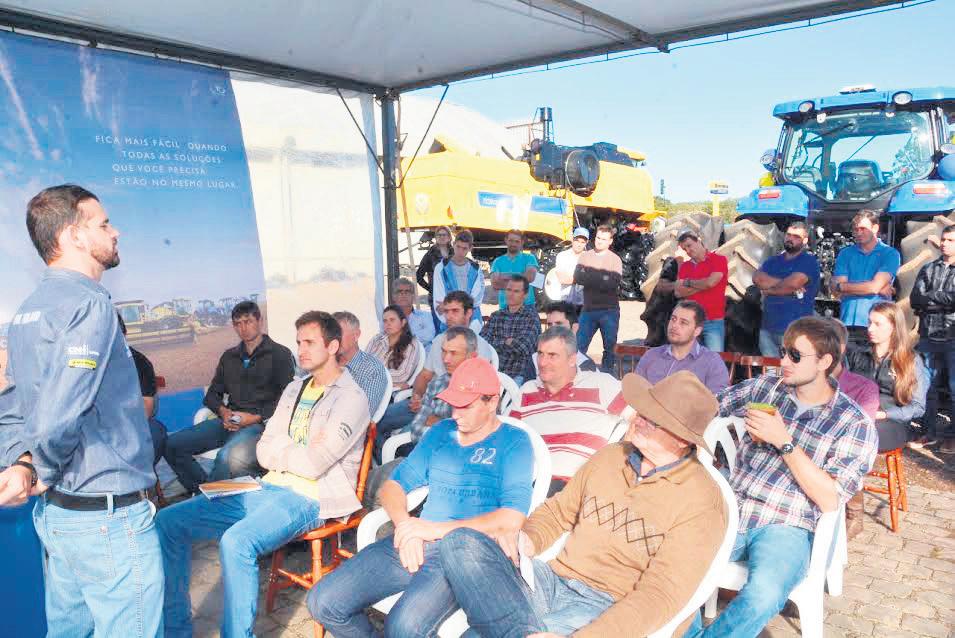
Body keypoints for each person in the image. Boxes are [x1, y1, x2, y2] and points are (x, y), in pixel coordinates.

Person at [437, 371, 727, 638]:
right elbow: (557, 512)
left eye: (653, 420)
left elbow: (659, 597)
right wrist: (527, 539)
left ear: (681, 439)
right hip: (552, 579)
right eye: (642, 411)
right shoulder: (612, 456)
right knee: (460, 543)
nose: (639, 420)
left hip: (608, 606)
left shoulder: (702, 502)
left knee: (477, 633)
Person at [0, 185, 163, 635]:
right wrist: (44, 467)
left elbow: (11, 404)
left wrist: (22, 463)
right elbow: (59, 413)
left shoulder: (27, 313)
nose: (116, 231)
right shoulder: (90, 305)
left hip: (59, 518)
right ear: (74, 235)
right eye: (104, 223)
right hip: (106, 521)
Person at [157, 311, 370, 638]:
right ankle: (175, 630)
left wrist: (282, 449)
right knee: (168, 521)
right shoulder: (295, 388)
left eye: (309, 342)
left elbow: (315, 465)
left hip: (310, 497)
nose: (301, 350)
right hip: (265, 485)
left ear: (332, 346)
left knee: (236, 542)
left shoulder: (351, 397)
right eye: (299, 342)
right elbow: (263, 450)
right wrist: (290, 451)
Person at [307, 357, 535, 637]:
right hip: (416, 538)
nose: (456, 413)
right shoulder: (441, 432)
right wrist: (406, 527)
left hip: (462, 555)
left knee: (403, 627)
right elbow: (392, 486)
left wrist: (431, 530)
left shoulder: (514, 442)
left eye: (466, 405)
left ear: (492, 402)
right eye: (453, 403)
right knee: (322, 602)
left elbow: (512, 518)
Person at [703, 317, 876, 637]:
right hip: (731, 510)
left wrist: (784, 442)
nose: (783, 361)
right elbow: (712, 405)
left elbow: (829, 499)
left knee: (764, 594)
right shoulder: (767, 388)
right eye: (783, 352)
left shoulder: (852, 423)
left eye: (795, 356)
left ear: (824, 361)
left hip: (787, 525)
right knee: (668, 561)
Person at [164, 300, 295, 494]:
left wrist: (256, 417)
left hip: (261, 425)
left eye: (248, 321)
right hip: (228, 421)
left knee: (226, 457)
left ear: (260, 321)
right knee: (172, 444)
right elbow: (212, 395)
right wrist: (224, 412)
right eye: (238, 323)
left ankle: (209, 498)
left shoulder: (280, 354)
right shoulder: (230, 357)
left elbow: (289, 399)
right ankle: (204, 492)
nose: (243, 328)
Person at [375, 292, 497, 450]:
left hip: (449, 412)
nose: (449, 317)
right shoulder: (440, 340)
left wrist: (438, 417)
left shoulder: (479, 347)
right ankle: (387, 458)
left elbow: (476, 399)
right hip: (426, 401)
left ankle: (398, 457)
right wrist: (417, 395)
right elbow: (424, 376)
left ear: (469, 313)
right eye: (446, 311)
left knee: (403, 444)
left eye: (455, 311)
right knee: (375, 421)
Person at [511, 326, 627, 492]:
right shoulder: (527, 391)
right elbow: (508, 437)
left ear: (572, 359)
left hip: (577, 486)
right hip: (529, 483)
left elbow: (639, 419)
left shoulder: (600, 384)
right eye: (540, 354)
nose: (542, 362)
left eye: (552, 355)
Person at [847, 302, 928, 453]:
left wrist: (883, 414)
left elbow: (918, 407)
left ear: (893, 327)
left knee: (857, 434)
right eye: (869, 323)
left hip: (892, 422)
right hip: (858, 415)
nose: (870, 328)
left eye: (877, 324)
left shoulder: (911, 360)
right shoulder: (858, 354)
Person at [827, 318, 878, 540]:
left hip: (844, 447)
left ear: (839, 349)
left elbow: (862, 435)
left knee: (850, 450)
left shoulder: (863, 388)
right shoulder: (798, 381)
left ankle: (854, 514)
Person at [910, 224, 955, 452]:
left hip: (952, 337)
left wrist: (932, 297)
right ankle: (929, 432)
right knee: (927, 388)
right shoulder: (928, 269)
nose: (945, 243)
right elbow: (915, 299)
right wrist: (942, 300)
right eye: (943, 239)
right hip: (928, 335)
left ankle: (952, 437)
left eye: (950, 240)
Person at [831, 209, 901, 347]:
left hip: (877, 326)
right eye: (856, 229)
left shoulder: (890, 254)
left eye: (863, 229)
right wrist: (873, 288)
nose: (858, 233)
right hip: (847, 323)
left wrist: (842, 287)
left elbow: (873, 287)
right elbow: (836, 292)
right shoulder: (845, 254)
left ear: (875, 228)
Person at [753, 222, 821, 356]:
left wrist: (769, 290)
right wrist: (787, 285)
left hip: (795, 331)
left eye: (796, 236)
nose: (790, 238)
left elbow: (793, 283)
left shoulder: (809, 261)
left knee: (793, 368)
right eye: (788, 235)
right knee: (771, 369)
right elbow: (758, 279)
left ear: (805, 240)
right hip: (767, 330)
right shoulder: (772, 261)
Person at [635, 299, 730, 395]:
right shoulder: (651, 356)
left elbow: (718, 401)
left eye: (683, 322)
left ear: (697, 331)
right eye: (673, 319)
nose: (674, 326)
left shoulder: (712, 362)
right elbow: (635, 392)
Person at [118, 313, 167, 464]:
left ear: (124, 334)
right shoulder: (89, 361)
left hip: (132, 423)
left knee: (156, 432)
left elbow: (147, 408)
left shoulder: (140, 362)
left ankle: (142, 475)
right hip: (98, 429)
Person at [574, 225, 623, 373]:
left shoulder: (615, 260)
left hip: (609, 311)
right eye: (598, 238)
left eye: (604, 239)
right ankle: (579, 375)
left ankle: (607, 377)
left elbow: (613, 284)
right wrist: (603, 277)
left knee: (609, 348)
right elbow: (578, 277)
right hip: (588, 310)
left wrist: (589, 276)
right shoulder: (585, 256)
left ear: (610, 241)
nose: (600, 241)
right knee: (578, 347)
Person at [674, 229, 728, 352]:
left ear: (698, 241)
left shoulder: (719, 260)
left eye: (689, 245)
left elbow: (710, 283)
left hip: (713, 321)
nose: (688, 251)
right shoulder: (685, 266)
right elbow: (678, 292)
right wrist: (704, 285)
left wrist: (688, 282)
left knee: (714, 359)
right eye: (684, 249)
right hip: (690, 321)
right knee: (688, 358)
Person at [481, 274, 541, 384]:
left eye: (516, 291)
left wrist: (496, 343)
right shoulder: (496, 316)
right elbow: (483, 342)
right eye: (508, 290)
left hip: (518, 374)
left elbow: (523, 346)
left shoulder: (531, 317)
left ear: (525, 295)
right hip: (493, 371)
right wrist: (507, 342)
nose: (510, 294)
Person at [333, 311, 391, 418]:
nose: (333, 339)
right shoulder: (324, 362)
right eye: (330, 335)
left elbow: (361, 415)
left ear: (356, 335)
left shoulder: (372, 370)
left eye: (338, 334)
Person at [527, 301, 598, 378]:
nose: (553, 329)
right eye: (550, 324)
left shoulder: (585, 365)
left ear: (574, 328)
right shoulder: (535, 360)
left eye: (559, 324)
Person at [432, 230, 485, 331]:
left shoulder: (476, 269)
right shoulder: (441, 268)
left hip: (472, 322)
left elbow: (477, 298)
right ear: (453, 244)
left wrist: (451, 306)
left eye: (464, 248)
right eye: (458, 247)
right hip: (449, 323)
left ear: (470, 248)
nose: (460, 251)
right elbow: (439, 300)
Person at [366, 304, 423, 390]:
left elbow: (402, 375)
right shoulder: (376, 339)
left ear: (403, 322)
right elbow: (363, 364)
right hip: (366, 386)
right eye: (385, 321)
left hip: (386, 392)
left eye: (392, 320)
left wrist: (371, 375)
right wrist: (394, 383)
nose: (388, 324)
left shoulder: (411, 344)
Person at [490, 228, 540, 309]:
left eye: (517, 241)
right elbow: (495, 284)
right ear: (506, 240)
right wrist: (521, 279)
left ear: (522, 242)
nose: (513, 244)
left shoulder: (530, 258)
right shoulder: (498, 261)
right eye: (511, 240)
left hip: (527, 306)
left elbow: (530, 277)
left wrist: (504, 276)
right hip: (505, 307)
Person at [416, 226, 453, 330]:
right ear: (435, 237)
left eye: (444, 235)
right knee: (439, 328)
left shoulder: (454, 253)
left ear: (449, 237)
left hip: (453, 297)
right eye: (439, 235)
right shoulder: (430, 254)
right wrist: (431, 289)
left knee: (453, 328)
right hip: (436, 298)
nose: (441, 237)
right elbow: (419, 276)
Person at [392, 276, 435, 351]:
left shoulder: (426, 316)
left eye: (407, 291)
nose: (403, 294)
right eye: (399, 291)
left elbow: (428, 336)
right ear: (393, 296)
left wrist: (399, 337)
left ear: (413, 296)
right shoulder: (388, 319)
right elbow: (387, 340)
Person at [552, 226, 589, 307]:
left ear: (586, 243)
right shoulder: (562, 256)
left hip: (584, 304)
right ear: (572, 239)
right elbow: (563, 279)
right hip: (566, 302)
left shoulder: (590, 258)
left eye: (582, 242)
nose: (579, 244)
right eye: (577, 241)